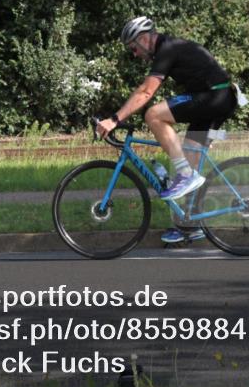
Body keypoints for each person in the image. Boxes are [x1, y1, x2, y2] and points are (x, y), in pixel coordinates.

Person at [96, 16, 238, 244]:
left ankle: (184, 175)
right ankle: (189, 226)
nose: (134, 54)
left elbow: (145, 92)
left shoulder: (168, 49)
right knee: (189, 155)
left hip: (215, 97)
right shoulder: (169, 49)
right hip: (218, 98)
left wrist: (114, 119)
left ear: (143, 39)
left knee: (153, 114)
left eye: (134, 48)